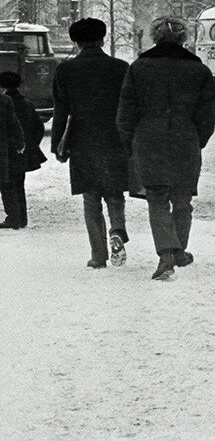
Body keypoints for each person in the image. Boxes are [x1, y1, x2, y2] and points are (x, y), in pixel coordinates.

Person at [117, 16, 215, 280]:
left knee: (157, 198)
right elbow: (208, 116)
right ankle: (179, 251)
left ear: (154, 37)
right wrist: (198, 139)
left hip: (149, 138)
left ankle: (165, 255)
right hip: (186, 139)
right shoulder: (199, 70)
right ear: (184, 38)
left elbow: (126, 114)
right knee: (182, 198)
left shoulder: (138, 68)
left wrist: (132, 142)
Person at [51, 18, 130, 269]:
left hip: (82, 138)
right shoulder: (121, 67)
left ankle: (98, 255)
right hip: (114, 138)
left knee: (91, 198)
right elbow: (129, 107)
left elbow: (60, 109)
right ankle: (117, 230)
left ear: (76, 42)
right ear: (102, 39)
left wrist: (58, 146)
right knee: (115, 194)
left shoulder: (65, 70)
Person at [0, 72, 44, 229]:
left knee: (7, 185)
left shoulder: (4, 102)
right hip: (22, 151)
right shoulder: (27, 103)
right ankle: (22, 217)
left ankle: (14, 218)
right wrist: (30, 145)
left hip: (6, 152)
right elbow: (39, 127)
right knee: (19, 185)